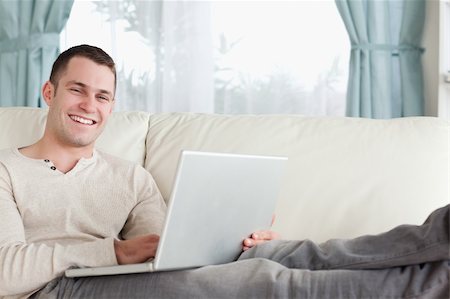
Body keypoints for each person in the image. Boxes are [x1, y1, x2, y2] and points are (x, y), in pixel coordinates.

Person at [0, 45, 448, 299]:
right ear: (49, 92)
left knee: (293, 255)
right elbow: (7, 271)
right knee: (259, 281)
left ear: (112, 106)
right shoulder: (7, 168)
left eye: (102, 96)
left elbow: (168, 251)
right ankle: (435, 283)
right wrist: (114, 253)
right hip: (58, 291)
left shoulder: (129, 178)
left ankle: (439, 236)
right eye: (77, 90)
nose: (89, 106)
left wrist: (228, 238)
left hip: (125, 278)